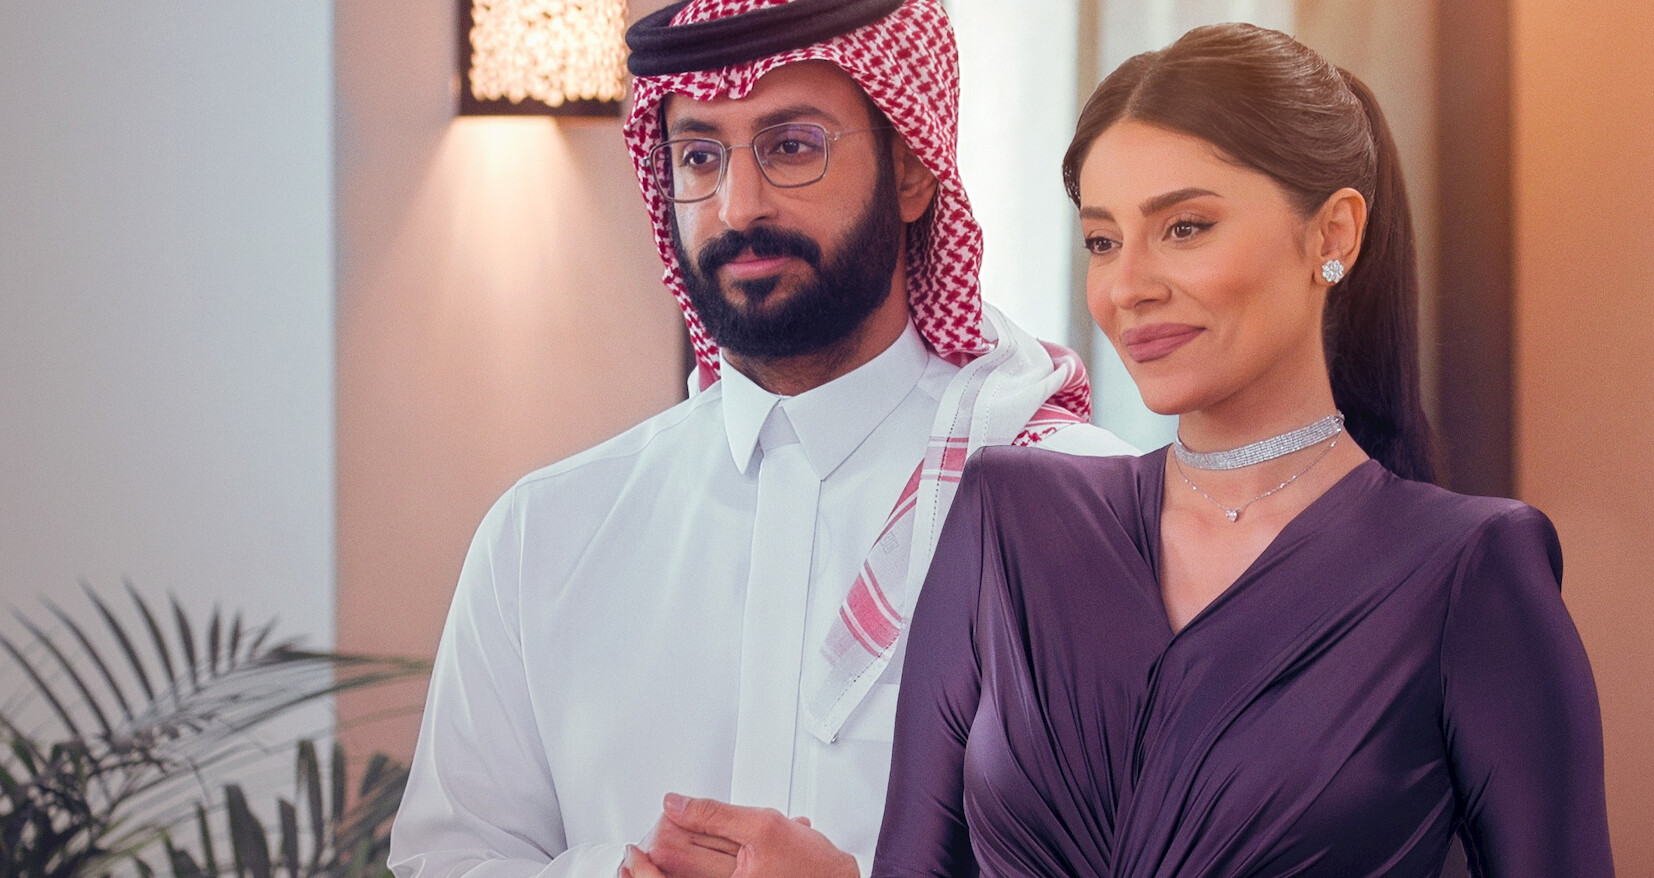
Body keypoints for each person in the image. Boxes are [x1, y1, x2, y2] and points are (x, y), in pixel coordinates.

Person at [388, 1, 1132, 877]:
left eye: (793, 146)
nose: (738, 207)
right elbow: (449, 859)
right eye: (700, 157)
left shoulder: (1079, 512)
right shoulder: (542, 533)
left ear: (911, 169)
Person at [873, 23, 1614, 878]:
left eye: (1185, 227)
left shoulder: (1469, 569)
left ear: (1333, 235)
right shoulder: (1008, 517)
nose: (1127, 287)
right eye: (1103, 241)